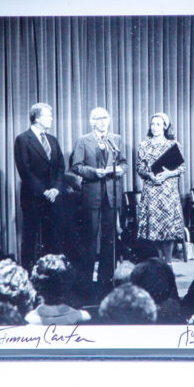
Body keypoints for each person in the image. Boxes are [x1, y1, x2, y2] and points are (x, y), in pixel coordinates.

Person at [70, 107, 126, 300]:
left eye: (105, 118)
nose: (102, 121)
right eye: (98, 118)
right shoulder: (83, 141)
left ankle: (106, 278)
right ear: (92, 121)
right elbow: (76, 166)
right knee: (90, 237)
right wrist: (94, 172)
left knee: (110, 238)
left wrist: (120, 169)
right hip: (92, 194)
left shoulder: (116, 139)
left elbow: (124, 163)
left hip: (111, 195)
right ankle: (86, 281)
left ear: (109, 120)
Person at [14, 103, 65, 268]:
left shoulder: (52, 140)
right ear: (36, 118)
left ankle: (51, 275)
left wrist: (55, 189)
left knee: (53, 238)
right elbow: (25, 170)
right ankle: (27, 275)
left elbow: (60, 167)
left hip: (53, 198)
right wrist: (44, 191)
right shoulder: (23, 139)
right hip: (33, 198)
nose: (51, 118)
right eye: (48, 115)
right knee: (30, 238)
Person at [135, 112, 187, 261]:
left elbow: (181, 168)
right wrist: (149, 175)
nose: (155, 127)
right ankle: (158, 261)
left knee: (168, 228)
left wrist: (167, 174)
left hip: (168, 192)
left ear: (165, 127)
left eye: (158, 124)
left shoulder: (173, 145)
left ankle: (169, 261)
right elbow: (139, 168)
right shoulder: (143, 145)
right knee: (154, 228)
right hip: (151, 190)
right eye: (153, 124)